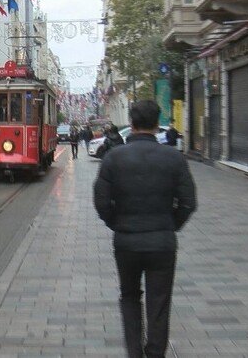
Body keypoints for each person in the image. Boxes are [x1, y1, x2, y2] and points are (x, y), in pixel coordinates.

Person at [93, 100, 197, 358]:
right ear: (156, 124)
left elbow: (101, 201)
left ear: (132, 123)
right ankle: (156, 353)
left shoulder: (114, 157)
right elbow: (188, 202)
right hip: (162, 241)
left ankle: (134, 352)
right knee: (159, 301)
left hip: (126, 242)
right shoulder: (174, 157)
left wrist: (117, 224)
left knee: (129, 297)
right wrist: (171, 225)